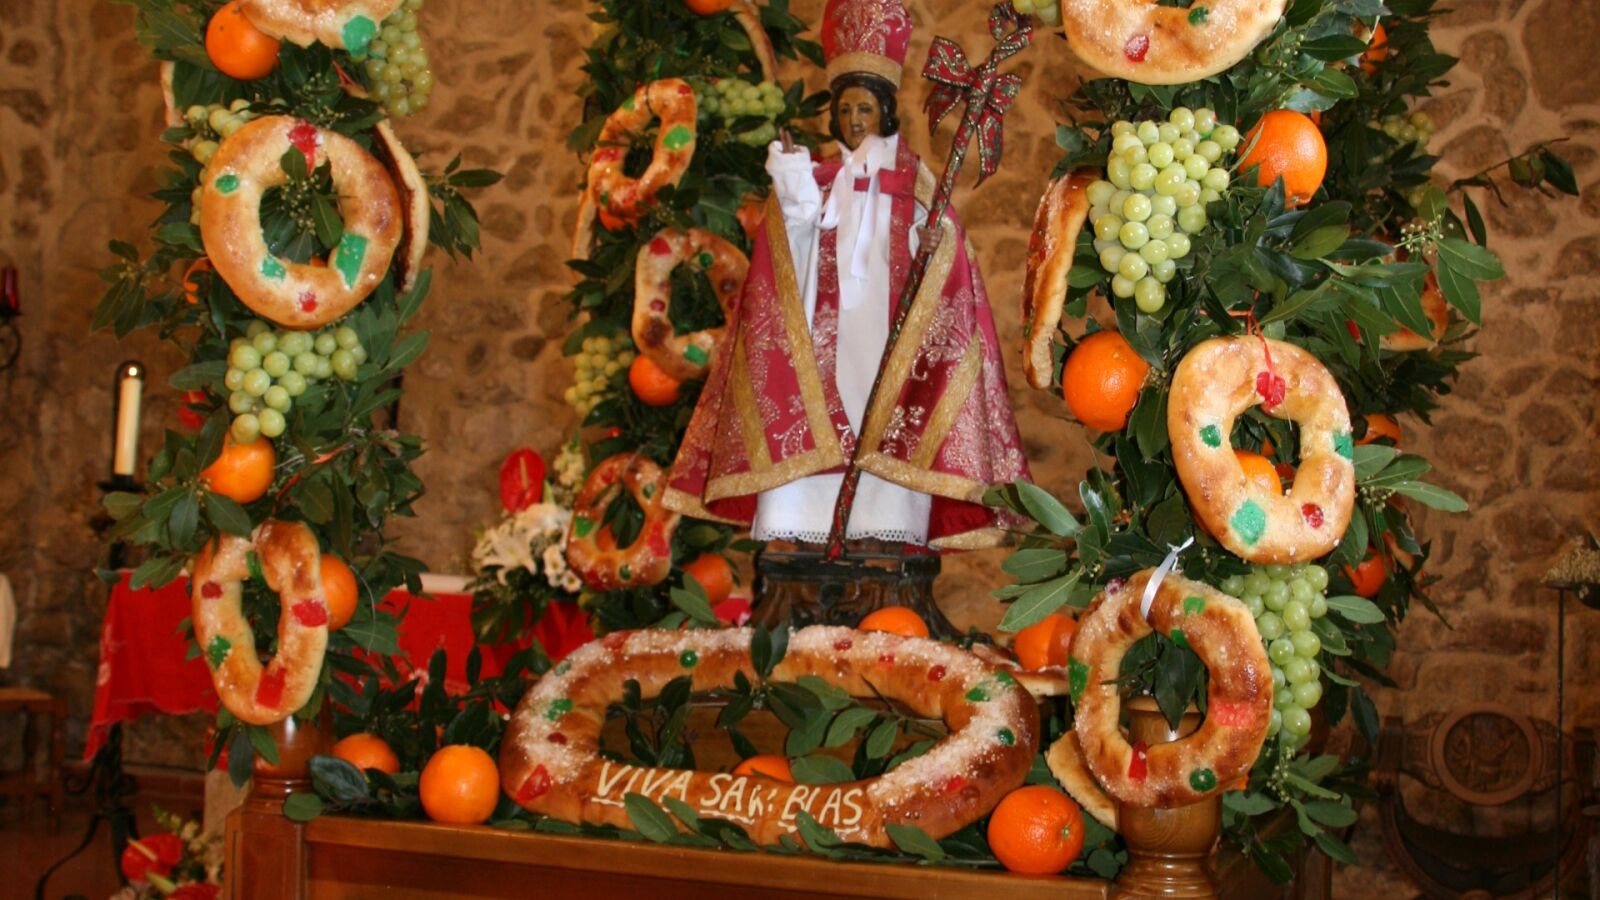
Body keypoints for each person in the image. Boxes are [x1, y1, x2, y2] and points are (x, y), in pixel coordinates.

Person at [664, 0, 1029, 555]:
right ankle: (809, 518)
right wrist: (792, 179)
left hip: (886, 331)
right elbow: (790, 244)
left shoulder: (914, 180)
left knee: (883, 418)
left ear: (885, 111)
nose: (855, 120)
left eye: (865, 108)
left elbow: (946, 258)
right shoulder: (818, 179)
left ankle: (887, 521)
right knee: (826, 416)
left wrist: (930, 244)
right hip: (823, 335)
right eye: (845, 109)